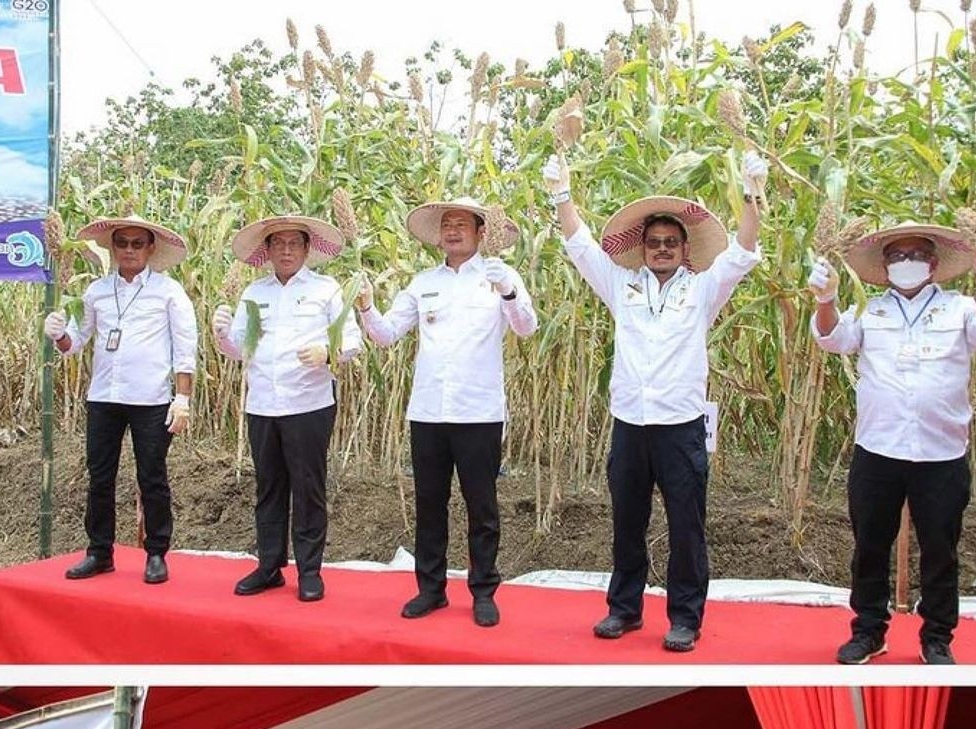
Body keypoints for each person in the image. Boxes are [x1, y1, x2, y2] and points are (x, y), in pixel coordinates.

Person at [543, 150, 766, 652]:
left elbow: (743, 250)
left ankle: (685, 618)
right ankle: (624, 609)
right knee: (627, 522)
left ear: (685, 249)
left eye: (670, 243)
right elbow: (580, 246)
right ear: (641, 248)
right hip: (629, 424)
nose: (661, 249)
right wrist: (561, 193)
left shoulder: (704, 289)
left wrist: (754, 192)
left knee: (686, 526)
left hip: (680, 426)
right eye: (654, 242)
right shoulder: (621, 285)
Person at [809, 221, 976, 665]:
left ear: (934, 264)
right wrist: (826, 299)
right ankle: (868, 631)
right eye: (897, 256)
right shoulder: (869, 310)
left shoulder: (961, 309)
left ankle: (937, 638)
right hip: (878, 449)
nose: (907, 263)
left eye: (916, 255)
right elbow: (831, 338)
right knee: (870, 546)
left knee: (940, 549)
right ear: (885, 267)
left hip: (941, 453)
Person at [356, 198, 538, 627]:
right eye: (447, 225)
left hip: (479, 413)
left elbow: (527, 327)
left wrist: (508, 291)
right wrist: (365, 306)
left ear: (481, 233)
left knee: (482, 506)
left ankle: (483, 591)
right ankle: (431, 589)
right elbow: (386, 334)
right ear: (439, 236)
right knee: (430, 504)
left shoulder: (500, 275)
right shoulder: (423, 283)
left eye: (462, 224)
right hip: (429, 412)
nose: (453, 230)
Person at [213, 214, 360, 602]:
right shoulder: (254, 293)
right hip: (263, 402)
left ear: (307, 249)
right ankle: (269, 566)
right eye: (278, 243)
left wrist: (328, 352)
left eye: (294, 243)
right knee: (269, 487)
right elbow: (239, 349)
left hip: (308, 404)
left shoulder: (326, 290)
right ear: (267, 250)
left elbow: (353, 341)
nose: (286, 250)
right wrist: (222, 334)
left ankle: (309, 570)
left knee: (308, 488)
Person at [44, 214, 196, 585]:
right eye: (122, 243)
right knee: (99, 476)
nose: (129, 250)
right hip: (104, 396)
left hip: (151, 399)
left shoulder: (168, 292)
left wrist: (182, 398)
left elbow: (185, 347)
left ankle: (156, 553)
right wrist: (59, 335)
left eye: (137, 243)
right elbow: (76, 342)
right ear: (112, 247)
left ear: (150, 248)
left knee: (152, 477)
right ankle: (99, 551)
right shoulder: (96, 291)